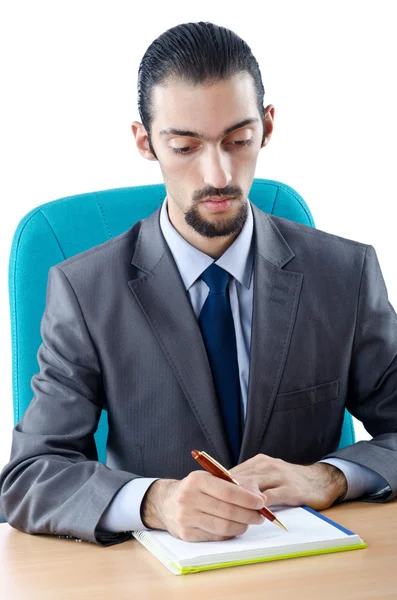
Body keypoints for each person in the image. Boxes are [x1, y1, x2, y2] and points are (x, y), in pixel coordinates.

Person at [0, 22, 396, 546]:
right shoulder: (85, 292)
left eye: (238, 140)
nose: (217, 175)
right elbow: (31, 476)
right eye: (186, 146)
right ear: (145, 142)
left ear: (268, 127)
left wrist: (327, 476)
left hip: (311, 568)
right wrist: (152, 501)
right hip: (154, 578)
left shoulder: (345, 274)